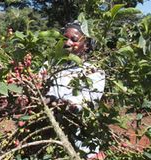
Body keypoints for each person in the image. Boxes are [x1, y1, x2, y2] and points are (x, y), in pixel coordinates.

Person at [45, 21, 106, 159]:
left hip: (82, 139)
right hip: (50, 134)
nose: (67, 43)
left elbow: (88, 102)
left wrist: (66, 104)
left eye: (74, 39)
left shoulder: (94, 72)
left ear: (86, 45)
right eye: (63, 39)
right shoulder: (50, 65)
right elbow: (37, 86)